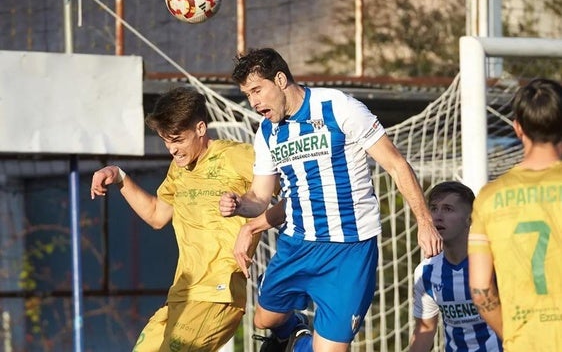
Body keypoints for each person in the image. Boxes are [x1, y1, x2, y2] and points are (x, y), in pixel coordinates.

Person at [218, 47, 443, 352]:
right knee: (264, 319)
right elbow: (259, 196)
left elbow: (395, 164)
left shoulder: (338, 107)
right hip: (297, 244)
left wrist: (425, 222)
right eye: (248, 95)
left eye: (257, 90)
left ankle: (299, 345)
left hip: (350, 250)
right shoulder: (267, 133)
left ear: (281, 79)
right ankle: (294, 334)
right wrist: (238, 206)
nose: (254, 102)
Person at [90, 87, 261, 352]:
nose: (172, 149)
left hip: (219, 293)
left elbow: (294, 187)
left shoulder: (238, 156)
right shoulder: (179, 169)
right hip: (182, 294)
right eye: (165, 141)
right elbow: (157, 215)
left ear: (201, 128)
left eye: (178, 139)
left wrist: (252, 225)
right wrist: (119, 177)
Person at [468, 78, 562, 351]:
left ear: (518, 128)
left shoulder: (489, 197)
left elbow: (480, 287)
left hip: (524, 341)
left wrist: (512, 335)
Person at [409, 181, 502, 352]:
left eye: (448, 209)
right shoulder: (426, 272)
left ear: (470, 219)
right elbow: (425, 330)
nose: (437, 216)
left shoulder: (497, 263)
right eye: (434, 208)